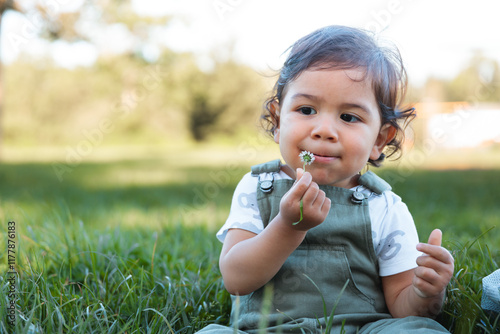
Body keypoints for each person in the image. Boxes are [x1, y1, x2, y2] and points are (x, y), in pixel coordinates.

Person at [196, 25, 454, 333]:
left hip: (361, 329)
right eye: (306, 109)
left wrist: (427, 291)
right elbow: (236, 280)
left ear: (380, 140)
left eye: (349, 117)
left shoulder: (383, 207)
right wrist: (287, 228)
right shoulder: (257, 187)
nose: (323, 130)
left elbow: (402, 307)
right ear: (278, 120)